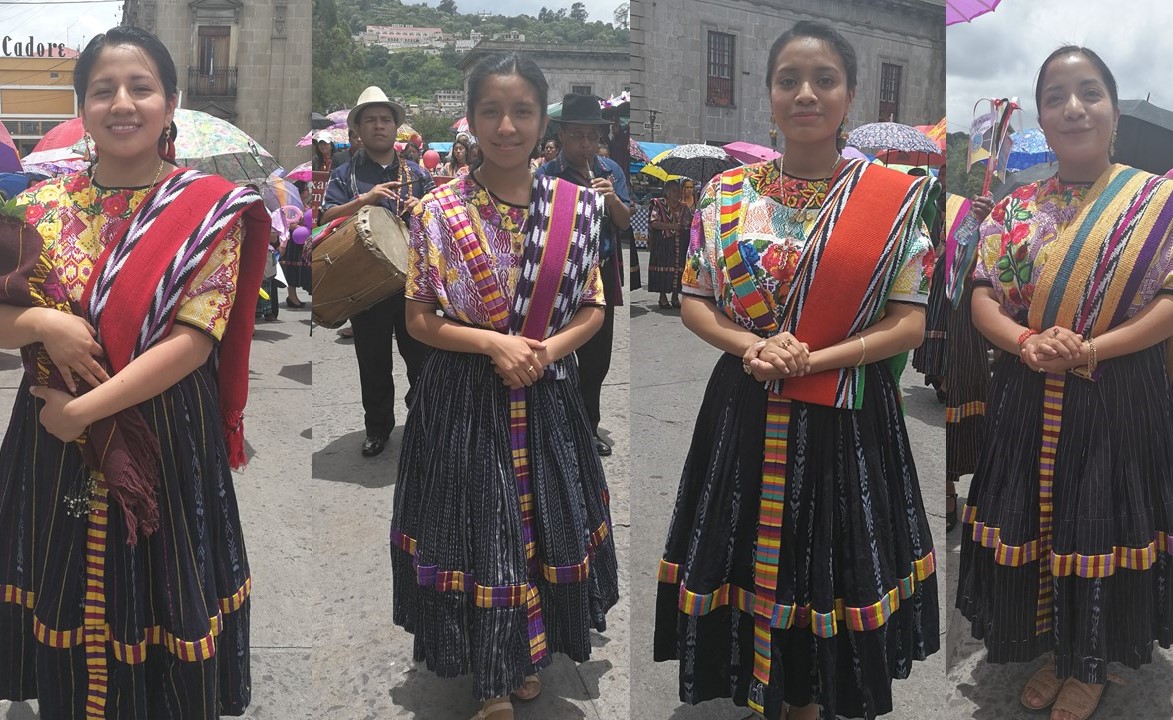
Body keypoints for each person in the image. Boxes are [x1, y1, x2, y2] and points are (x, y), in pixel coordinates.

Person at [654, 21, 939, 720]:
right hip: (744, 402)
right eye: (788, 80)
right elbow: (694, 298)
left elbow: (908, 322)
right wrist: (748, 346)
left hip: (845, 408)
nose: (804, 94)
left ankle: (811, 694)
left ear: (849, 96)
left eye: (823, 80)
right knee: (745, 540)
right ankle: (761, 683)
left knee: (828, 554)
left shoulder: (894, 200)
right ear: (770, 94)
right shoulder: (727, 194)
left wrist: (813, 356)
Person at [0, 25, 269, 717]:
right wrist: (40, 324)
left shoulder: (210, 210)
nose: (123, 103)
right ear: (81, 108)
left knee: (159, 585)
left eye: (141, 87)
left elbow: (194, 341)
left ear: (170, 102)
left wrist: (83, 412)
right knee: (65, 571)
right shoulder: (36, 209)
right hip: (51, 448)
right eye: (103, 90)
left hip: (163, 436)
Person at [391, 51, 618, 720]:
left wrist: (543, 350)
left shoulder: (576, 209)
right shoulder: (437, 211)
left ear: (541, 121)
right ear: (473, 119)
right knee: (480, 528)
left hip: (544, 389)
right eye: (491, 110)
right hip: (464, 394)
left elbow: (594, 306)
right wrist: (493, 341)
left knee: (539, 524)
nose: (506, 125)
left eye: (521, 111)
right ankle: (489, 677)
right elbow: (419, 319)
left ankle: (525, 654)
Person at [957, 46, 1173, 720]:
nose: (1072, 107)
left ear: (1111, 111)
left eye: (1088, 92)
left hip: (1115, 390)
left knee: (1098, 521)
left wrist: (1088, 348)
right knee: (1039, 519)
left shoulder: (1157, 202)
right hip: (1026, 384)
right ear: (1041, 121)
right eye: (1055, 96)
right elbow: (981, 298)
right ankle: (1057, 647)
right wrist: (1026, 340)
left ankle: (1093, 659)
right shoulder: (1014, 208)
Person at [321, 85, 435, 457]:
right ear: (358, 130)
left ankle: (422, 423)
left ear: (395, 127)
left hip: (413, 283)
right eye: (370, 120)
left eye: (385, 119)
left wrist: (424, 210)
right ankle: (378, 428)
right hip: (365, 283)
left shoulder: (418, 173)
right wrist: (364, 200)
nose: (379, 125)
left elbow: (443, 223)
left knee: (420, 359)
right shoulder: (343, 175)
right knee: (372, 362)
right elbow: (323, 219)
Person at [536, 93, 631, 457]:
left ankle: (588, 427)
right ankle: (558, 427)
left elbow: (623, 224)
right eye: (577, 136)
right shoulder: (546, 175)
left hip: (600, 273)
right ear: (561, 136)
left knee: (596, 361)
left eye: (593, 136)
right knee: (557, 356)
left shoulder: (611, 171)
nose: (586, 144)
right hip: (559, 275)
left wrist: (612, 199)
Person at [646, 178, 691, 309]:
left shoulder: (684, 207)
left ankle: (675, 297)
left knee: (679, 269)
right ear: (667, 192)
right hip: (664, 243)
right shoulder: (659, 204)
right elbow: (653, 222)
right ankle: (663, 297)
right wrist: (671, 225)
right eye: (674, 191)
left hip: (680, 243)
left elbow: (689, 223)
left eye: (679, 191)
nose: (678, 194)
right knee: (664, 268)